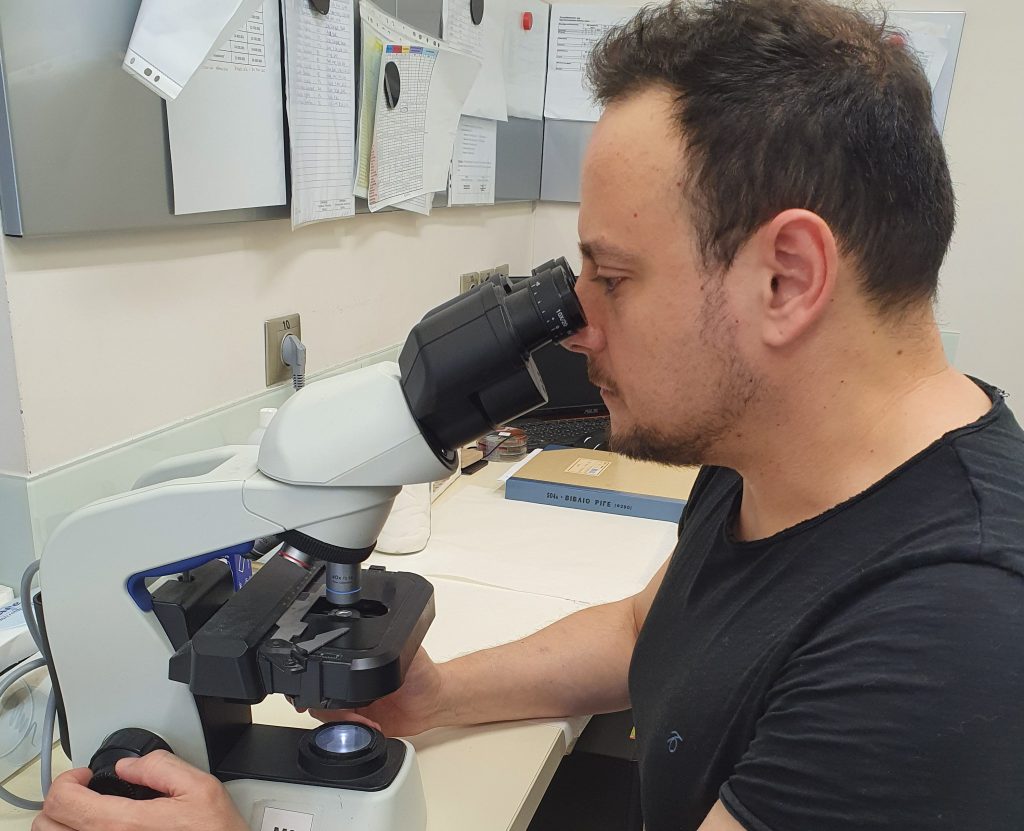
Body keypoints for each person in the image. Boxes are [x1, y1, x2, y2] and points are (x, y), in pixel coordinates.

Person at [35, 1, 1024, 829]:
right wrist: (438, 694)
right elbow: (649, 630)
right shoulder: (782, 460)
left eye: (613, 276)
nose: (577, 323)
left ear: (786, 278)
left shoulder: (947, 637)